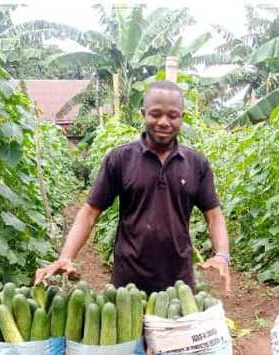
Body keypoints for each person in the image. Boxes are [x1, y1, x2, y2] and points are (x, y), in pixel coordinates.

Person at [34, 80, 232, 294]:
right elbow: (90, 213)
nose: (164, 122)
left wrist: (222, 254)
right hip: (128, 282)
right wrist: (66, 257)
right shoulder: (120, 159)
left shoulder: (196, 163)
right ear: (143, 113)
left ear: (182, 117)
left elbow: (213, 215)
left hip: (179, 282)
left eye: (172, 116)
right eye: (155, 114)